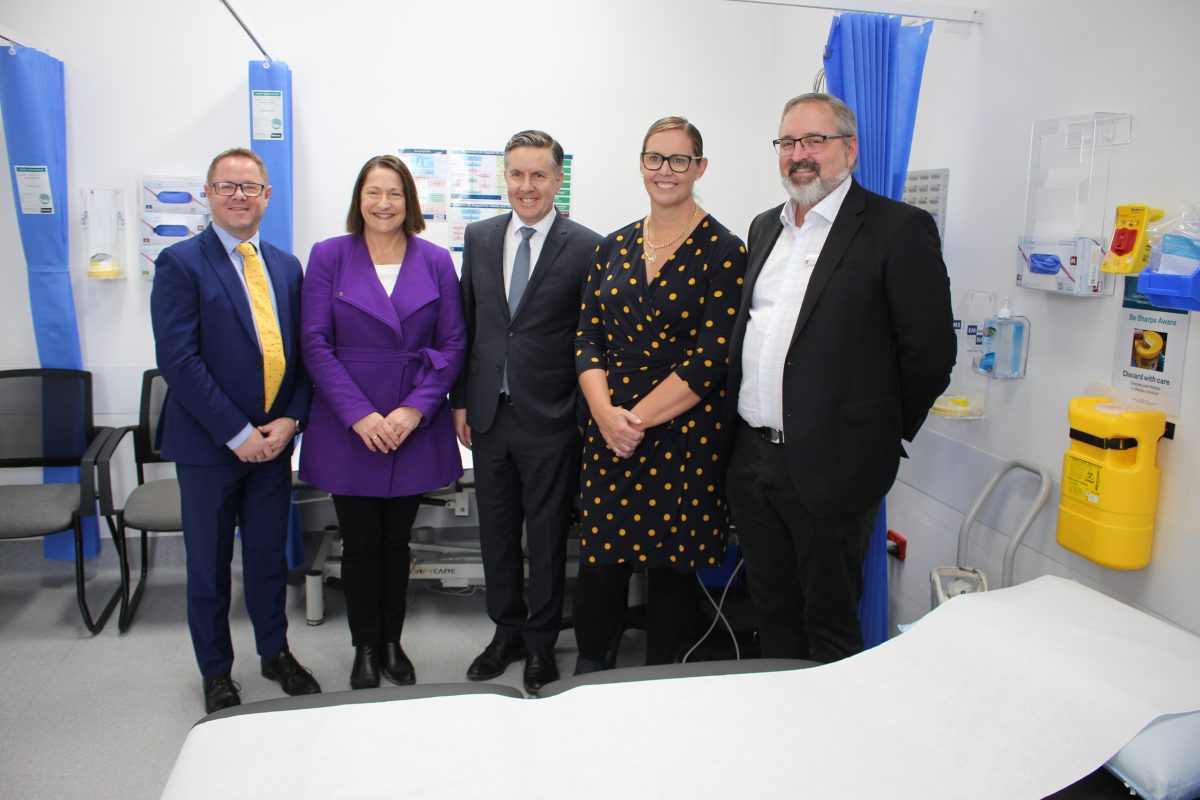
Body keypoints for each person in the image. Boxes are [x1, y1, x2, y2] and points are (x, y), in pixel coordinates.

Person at [724, 93, 956, 664]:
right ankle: (781, 723)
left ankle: (837, 742)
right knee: (772, 610)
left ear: (849, 150)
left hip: (836, 465)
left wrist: (876, 434)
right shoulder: (764, 229)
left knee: (829, 622)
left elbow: (929, 352)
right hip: (753, 460)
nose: (799, 155)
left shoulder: (896, 228)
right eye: (788, 142)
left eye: (814, 141)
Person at [573, 117, 747, 673]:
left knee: (673, 570)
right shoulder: (613, 246)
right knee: (600, 565)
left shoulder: (725, 250)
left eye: (678, 160)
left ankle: (661, 682)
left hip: (683, 432)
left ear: (700, 167)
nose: (665, 171)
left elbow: (712, 359)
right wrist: (604, 414)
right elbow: (587, 337)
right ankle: (588, 673)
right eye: (654, 158)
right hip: (608, 429)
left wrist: (634, 422)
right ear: (641, 164)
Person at [151, 147, 320, 715]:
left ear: (267, 197)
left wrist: (291, 419)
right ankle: (216, 671)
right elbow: (179, 361)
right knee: (209, 564)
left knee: (270, 558)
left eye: (250, 187)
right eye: (227, 187)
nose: (239, 196)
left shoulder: (285, 265)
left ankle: (275, 652)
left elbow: (301, 355)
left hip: (275, 444)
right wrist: (236, 431)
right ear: (209, 194)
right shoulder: (180, 263)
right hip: (208, 447)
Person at [300, 155, 466, 689]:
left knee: (398, 542)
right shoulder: (329, 256)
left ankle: (392, 640)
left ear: (409, 202)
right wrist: (361, 416)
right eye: (374, 192)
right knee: (360, 541)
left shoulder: (437, 259)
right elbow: (315, 343)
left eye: (394, 193)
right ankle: (364, 646)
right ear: (359, 199)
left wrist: (414, 409)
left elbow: (454, 343)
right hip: (351, 425)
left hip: (411, 423)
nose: (384, 204)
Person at [451, 131, 602, 694]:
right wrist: (460, 401)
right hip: (489, 415)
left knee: (545, 538)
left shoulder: (587, 245)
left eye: (539, 175)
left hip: (552, 416)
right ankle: (505, 633)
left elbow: (591, 338)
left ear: (558, 181)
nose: (527, 186)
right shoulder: (481, 235)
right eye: (517, 174)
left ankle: (540, 643)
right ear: (504, 178)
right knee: (495, 535)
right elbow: (469, 325)